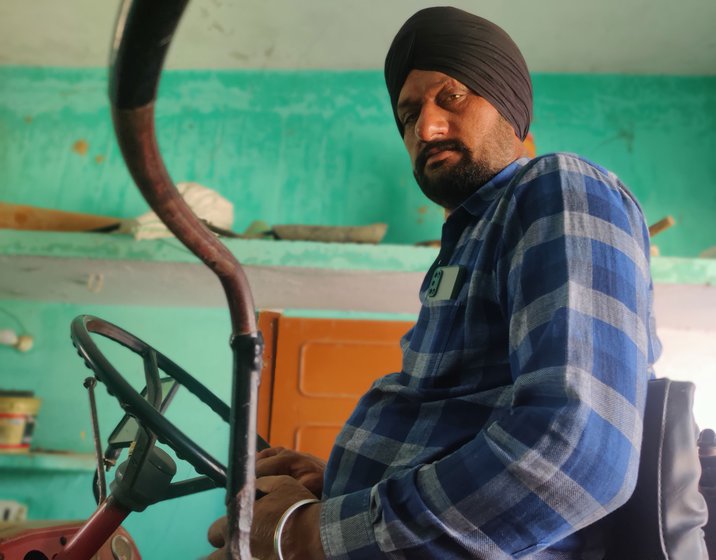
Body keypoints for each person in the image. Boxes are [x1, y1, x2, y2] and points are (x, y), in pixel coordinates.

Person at [208, 6, 661, 559]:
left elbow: (578, 452)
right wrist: (340, 486)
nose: (425, 128)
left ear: (511, 111)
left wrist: (308, 535)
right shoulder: (469, 241)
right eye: (407, 115)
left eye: (452, 98)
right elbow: (463, 425)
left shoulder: (558, 185)